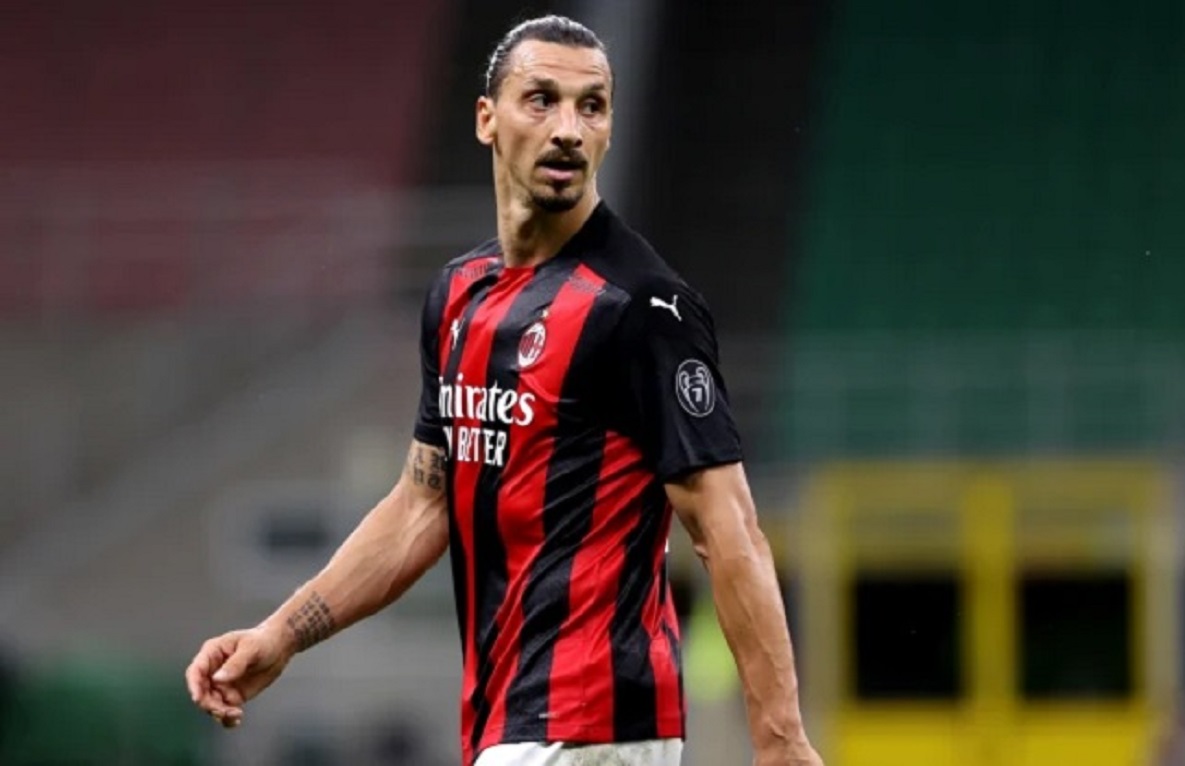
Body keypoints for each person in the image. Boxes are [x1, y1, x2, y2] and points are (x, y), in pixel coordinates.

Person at [185, 14, 823, 766]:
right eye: (542, 99)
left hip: (591, 722)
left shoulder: (642, 307)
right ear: (487, 118)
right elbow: (421, 506)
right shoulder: (459, 295)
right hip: (509, 722)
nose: (568, 130)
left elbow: (728, 527)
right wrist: (282, 633)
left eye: (592, 106)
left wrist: (780, 739)